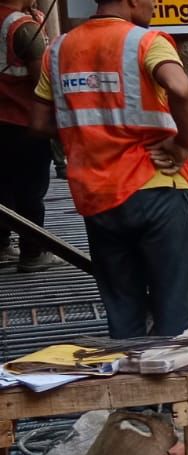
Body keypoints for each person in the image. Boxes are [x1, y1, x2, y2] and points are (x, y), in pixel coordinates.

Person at [30, 0, 188, 339]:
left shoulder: (60, 49)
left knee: (123, 312)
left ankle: (132, 385)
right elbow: (181, 88)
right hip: (156, 185)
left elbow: (38, 123)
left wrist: (85, 137)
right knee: (173, 314)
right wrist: (182, 145)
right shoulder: (146, 42)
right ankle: (174, 386)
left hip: (98, 196)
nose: (154, 5)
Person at [0, 0, 61, 272]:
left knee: (2, 189)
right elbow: (42, 82)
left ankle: (2, 246)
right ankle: (33, 252)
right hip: (23, 121)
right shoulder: (21, 27)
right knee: (30, 192)